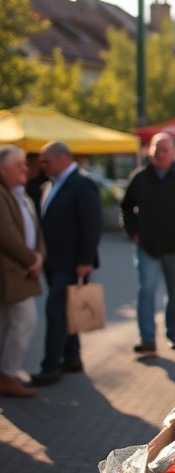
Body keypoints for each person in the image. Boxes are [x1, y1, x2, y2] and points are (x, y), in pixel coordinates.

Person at [120, 132, 175, 356]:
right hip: (147, 247)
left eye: (165, 150)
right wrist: (133, 232)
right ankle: (147, 339)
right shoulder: (139, 178)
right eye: (157, 149)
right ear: (150, 151)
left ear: (173, 153)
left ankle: (172, 331)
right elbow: (126, 208)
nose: (160, 154)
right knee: (146, 289)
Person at [30, 141, 101, 386]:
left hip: (71, 263)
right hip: (53, 261)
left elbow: (91, 225)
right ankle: (72, 358)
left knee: (56, 311)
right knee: (68, 311)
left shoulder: (82, 184)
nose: (42, 165)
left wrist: (85, 260)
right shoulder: (48, 185)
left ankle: (50, 367)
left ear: (61, 158)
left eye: (46, 160)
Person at [0, 146, 44, 398]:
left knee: (9, 323)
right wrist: (31, 259)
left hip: (23, 269)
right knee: (25, 321)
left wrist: (39, 256)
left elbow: (36, 230)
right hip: (11, 271)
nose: (25, 169)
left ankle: (5, 374)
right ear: (2, 169)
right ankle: (7, 373)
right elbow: (6, 234)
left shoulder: (20, 194)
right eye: (19, 165)